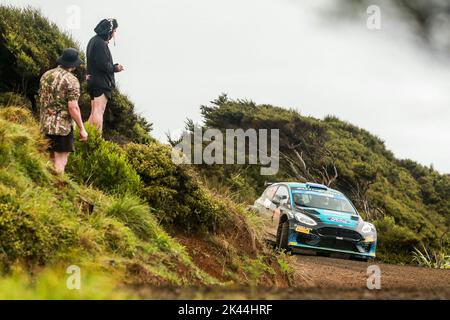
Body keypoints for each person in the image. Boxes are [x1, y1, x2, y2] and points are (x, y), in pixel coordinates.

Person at [38, 48, 88, 174]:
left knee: (47, 160)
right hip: (62, 128)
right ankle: (58, 189)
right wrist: (82, 128)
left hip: (45, 124)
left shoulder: (46, 75)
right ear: (74, 65)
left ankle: (45, 187)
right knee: (60, 162)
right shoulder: (72, 80)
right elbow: (73, 107)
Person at [86, 18, 124, 132]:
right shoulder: (100, 44)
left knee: (94, 111)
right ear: (109, 30)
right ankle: (96, 140)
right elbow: (103, 65)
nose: (115, 33)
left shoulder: (93, 40)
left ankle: (86, 137)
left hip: (93, 81)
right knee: (99, 110)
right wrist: (115, 68)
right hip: (101, 82)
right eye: (115, 30)